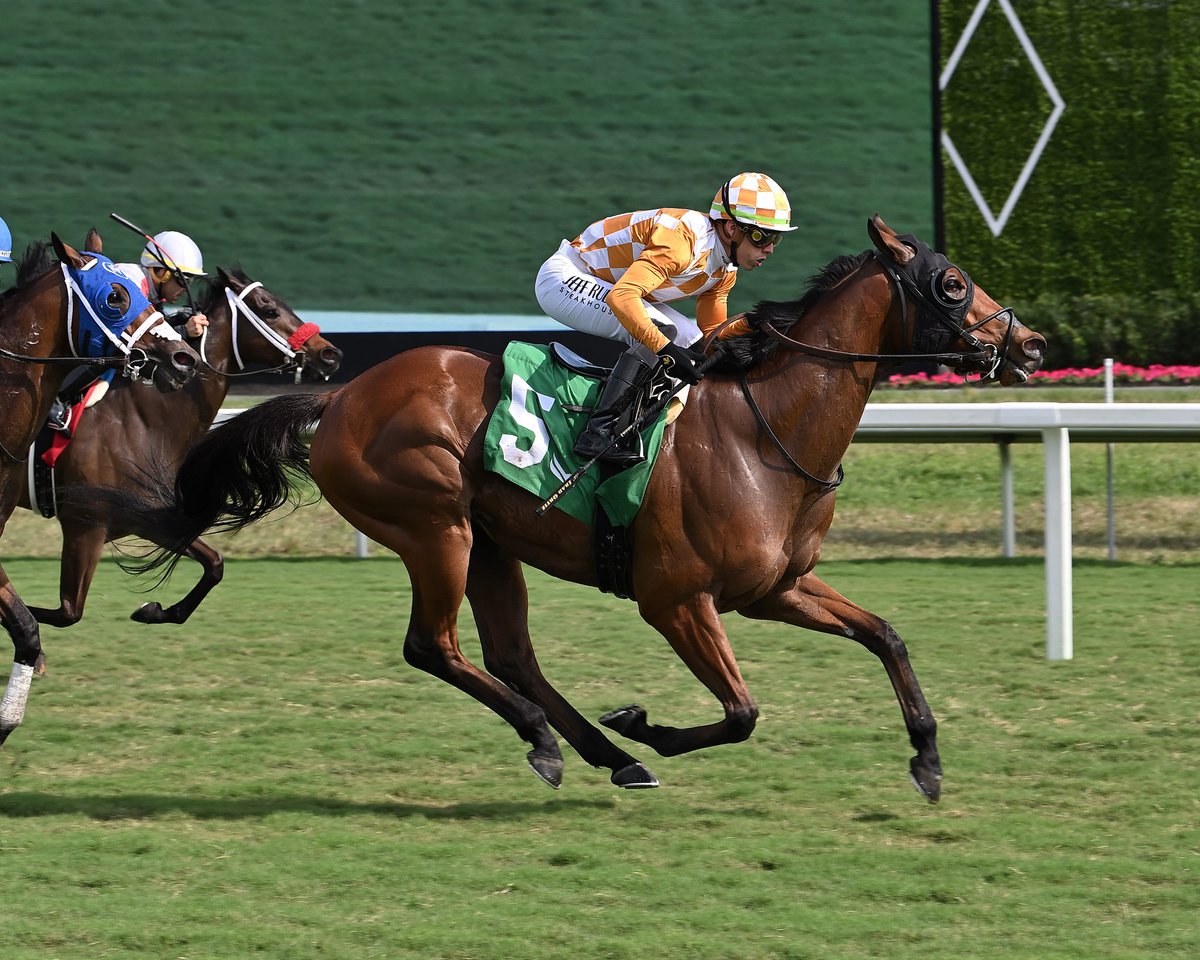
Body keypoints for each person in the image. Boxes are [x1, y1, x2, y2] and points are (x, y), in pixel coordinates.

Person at [534, 172, 796, 464]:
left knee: (690, 339)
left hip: (610, 286)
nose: (770, 248)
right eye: (762, 236)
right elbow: (623, 298)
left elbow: (711, 334)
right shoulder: (683, 241)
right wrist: (666, 351)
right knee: (664, 333)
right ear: (732, 229)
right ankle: (598, 434)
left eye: (777, 239)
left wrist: (757, 322)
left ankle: (656, 429)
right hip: (566, 278)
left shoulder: (725, 268)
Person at [46, 230, 210, 433]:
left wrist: (180, 320)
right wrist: (184, 331)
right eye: (182, 279)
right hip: (89, 337)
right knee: (116, 351)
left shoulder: (146, 285)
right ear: (161, 273)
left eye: (190, 281)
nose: (186, 288)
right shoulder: (132, 279)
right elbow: (137, 334)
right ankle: (58, 397)